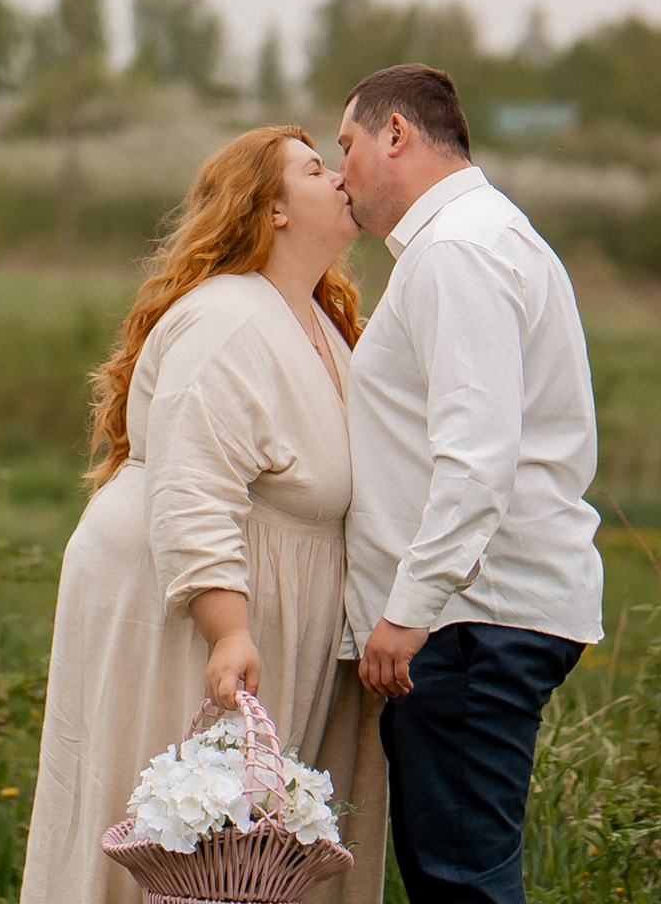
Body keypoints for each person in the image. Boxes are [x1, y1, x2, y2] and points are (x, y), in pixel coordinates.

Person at [21, 127, 389, 904]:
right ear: (273, 209)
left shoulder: (315, 318)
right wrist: (227, 629)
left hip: (271, 593)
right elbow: (192, 483)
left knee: (243, 849)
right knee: (183, 835)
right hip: (191, 599)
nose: (339, 179)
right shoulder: (227, 318)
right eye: (315, 169)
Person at [337, 64, 603, 904]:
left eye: (345, 146)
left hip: (467, 622)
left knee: (460, 888)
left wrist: (407, 612)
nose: (339, 171)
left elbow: (478, 457)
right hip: (473, 617)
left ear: (395, 135)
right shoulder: (480, 237)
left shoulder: (457, 252)